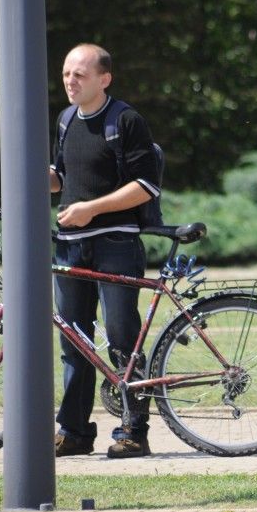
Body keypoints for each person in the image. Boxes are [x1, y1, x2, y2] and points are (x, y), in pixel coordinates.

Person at [49, 43, 160, 459]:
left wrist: (90, 210)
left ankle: (134, 431)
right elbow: (61, 176)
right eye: (66, 74)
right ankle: (74, 432)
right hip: (70, 248)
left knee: (121, 337)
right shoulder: (64, 120)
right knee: (74, 342)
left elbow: (145, 185)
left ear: (104, 79)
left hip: (116, 244)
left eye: (79, 74)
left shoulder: (125, 120)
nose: (70, 81)